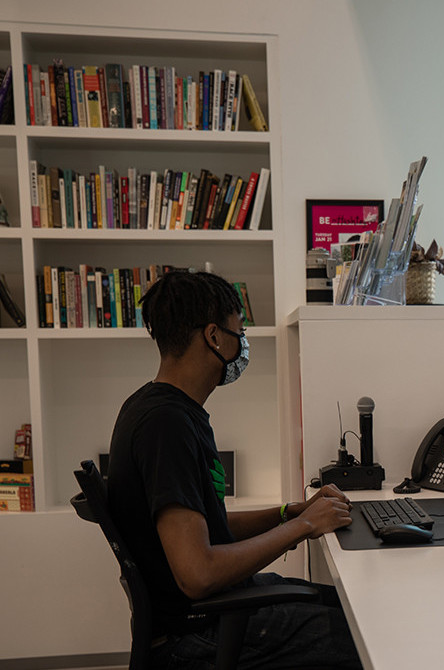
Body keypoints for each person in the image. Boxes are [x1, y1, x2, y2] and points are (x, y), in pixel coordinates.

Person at [106, 270, 363, 668]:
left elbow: (206, 527)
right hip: (198, 634)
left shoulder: (159, 408)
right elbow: (199, 573)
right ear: (213, 337)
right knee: (369, 637)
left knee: (352, 605)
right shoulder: (166, 425)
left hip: (208, 615)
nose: (242, 344)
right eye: (238, 332)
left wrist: (290, 512)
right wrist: (305, 527)